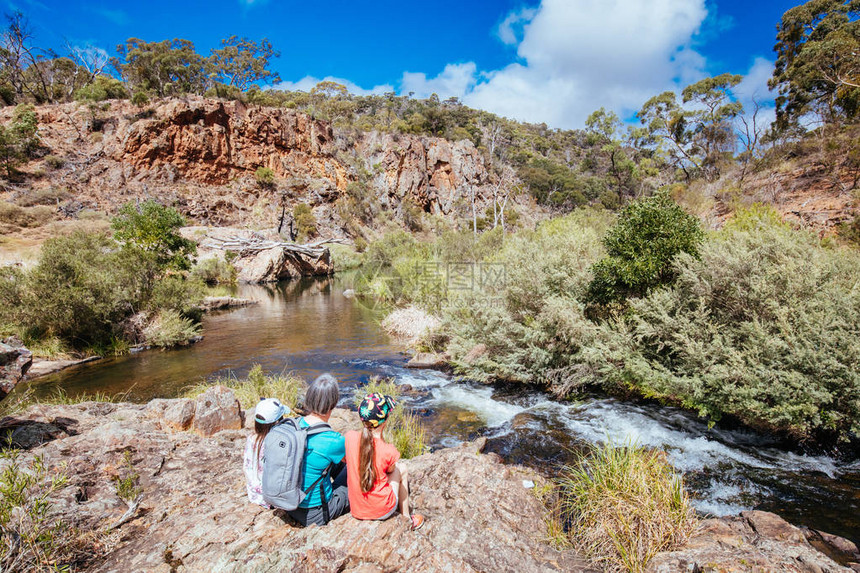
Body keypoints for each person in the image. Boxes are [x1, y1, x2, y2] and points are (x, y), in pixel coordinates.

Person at [344, 393, 424, 530]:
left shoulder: (349, 437)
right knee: (402, 469)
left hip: (356, 510)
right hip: (382, 510)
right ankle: (406, 519)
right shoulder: (389, 451)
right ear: (385, 421)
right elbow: (391, 471)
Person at [286, 373, 350, 526]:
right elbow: (353, 463)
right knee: (352, 470)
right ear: (333, 404)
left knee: (329, 462)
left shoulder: (292, 426)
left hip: (288, 503)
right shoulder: (333, 440)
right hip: (315, 513)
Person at [243, 397, 288, 507]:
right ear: (277, 422)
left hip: (254, 494)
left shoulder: (251, 439)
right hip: (271, 497)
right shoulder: (277, 442)